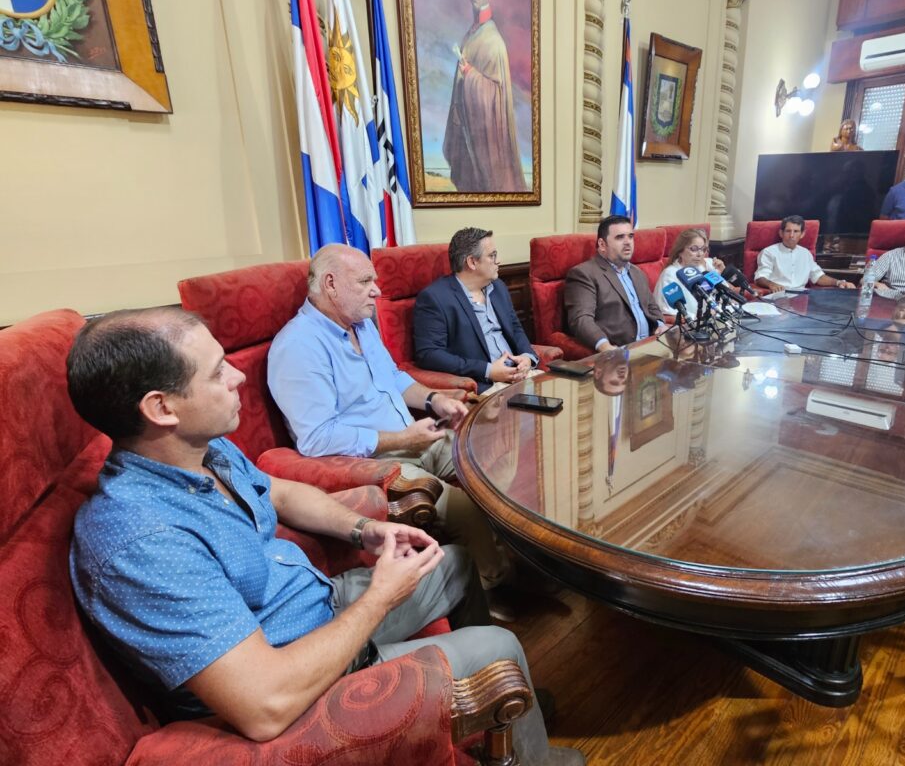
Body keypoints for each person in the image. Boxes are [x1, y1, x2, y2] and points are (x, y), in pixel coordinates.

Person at [65, 307, 583, 765]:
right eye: (218, 370)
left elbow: (281, 494)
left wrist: (366, 527)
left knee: (453, 562)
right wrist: (380, 597)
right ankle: (519, 732)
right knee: (498, 646)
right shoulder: (142, 540)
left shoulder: (202, 451)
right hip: (298, 679)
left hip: (318, 606)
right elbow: (264, 705)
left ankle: (493, 716)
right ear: (161, 408)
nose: (240, 376)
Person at [268, 245, 515, 620]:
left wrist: (433, 400)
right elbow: (316, 438)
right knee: (467, 505)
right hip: (372, 462)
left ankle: (509, 558)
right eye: (366, 281)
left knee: (494, 462)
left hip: (415, 436)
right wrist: (403, 440)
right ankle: (488, 584)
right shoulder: (297, 346)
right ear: (331, 284)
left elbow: (395, 379)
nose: (377, 291)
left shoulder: (362, 325)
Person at [414, 227, 537, 393]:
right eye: (492, 256)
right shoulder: (435, 298)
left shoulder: (498, 287)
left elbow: (515, 328)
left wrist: (527, 357)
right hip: (485, 385)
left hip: (523, 375)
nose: (499, 260)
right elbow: (429, 355)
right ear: (472, 262)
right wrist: (488, 371)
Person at [442, 0, 527, 193]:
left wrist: (470, 74)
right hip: (465, 125)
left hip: (486, 139)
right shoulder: (472, 34)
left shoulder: (493, 41)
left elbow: (495, 94)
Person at [564, 214, 666, 352]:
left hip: (651, 346)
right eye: (620, 237)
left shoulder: (637, 272)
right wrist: (604, 346)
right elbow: (581, 319)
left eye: (630, 236)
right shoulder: (584, 274)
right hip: (620, 350)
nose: (627, 242)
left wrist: (660, 325)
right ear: (602, 244)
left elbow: (652, 307)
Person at [754, 215, 855, 293]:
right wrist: (771, 285)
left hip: (801, 299)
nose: (792, 235)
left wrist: (839, 282)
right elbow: (760, 278)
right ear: (781, 233)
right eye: (788, 231)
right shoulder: (769, 252)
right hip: (778, 295)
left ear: (802, 234)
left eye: (796, 231)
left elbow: (818, 277)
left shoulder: (806, 254)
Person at [654, 228, 725, 317]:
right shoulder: (670, 274)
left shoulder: (704, 268)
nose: (700, 254)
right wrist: (698, 317)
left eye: (703, 249)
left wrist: (720, 274)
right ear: (680, 251)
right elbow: (666, 312)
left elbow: (720, 296)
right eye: (694, 249)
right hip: (691, 326)